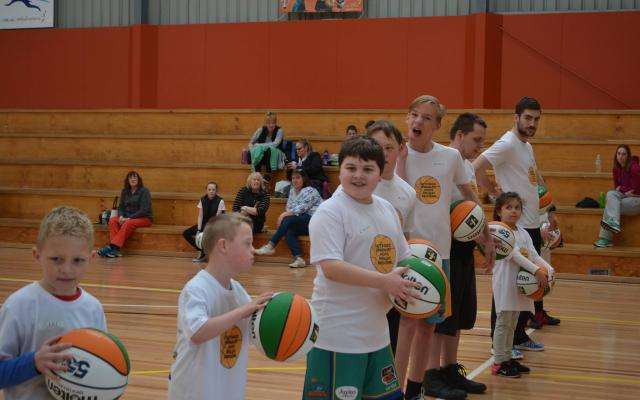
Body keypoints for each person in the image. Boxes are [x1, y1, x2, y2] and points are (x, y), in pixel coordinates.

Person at [302, 137, 418, 400]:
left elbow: (404, 258)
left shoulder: (387, 209)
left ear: (380, 174)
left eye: (367, 169)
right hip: (337, 337)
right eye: (351, 168)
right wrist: (384, 282)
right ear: (339, 170)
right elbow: (331, 267)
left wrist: (422, 282)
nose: (358, 175)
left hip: (377, 335)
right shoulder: (329, 212)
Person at [395, 95, 494, 400]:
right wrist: (400, 161)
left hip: (441, 255)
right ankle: (395, 391)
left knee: (429, 327)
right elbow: (395, 196)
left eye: (426, 118)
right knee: (405, 329)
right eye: (413, 115)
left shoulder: (450, 158)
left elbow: (469, 198)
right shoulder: (398, 154)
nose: (417, 122)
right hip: (408, 253)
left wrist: (486, 236)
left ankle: (415, 388)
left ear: (437, 125)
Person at [473, 96, 560, 351]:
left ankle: (519, 336)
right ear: (516, 117)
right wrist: (494, 195)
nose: (532, 123)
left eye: (536, 119)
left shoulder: (526, 146)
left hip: (531, 224)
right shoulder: (507, 143)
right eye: (528, 118)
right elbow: (477, 167)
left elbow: (536, 179)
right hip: (512, 228)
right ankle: (497, 341)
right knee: (506, 287)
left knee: (524, 286)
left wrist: (549, 208)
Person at [0, 206, 107, 398]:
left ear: (91, 258)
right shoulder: (18, 306)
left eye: (78, 260)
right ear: (37, 255)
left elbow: (101, 364)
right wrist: (33, 363)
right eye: (56, 259)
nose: (66, 269)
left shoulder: (93, 309)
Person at [168, 213, 272, 400]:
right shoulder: (196, 289)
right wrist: (243, 311)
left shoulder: (238, 291)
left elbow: (256, 333)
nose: (253, 250)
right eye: (247, 243)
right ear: (223, 245)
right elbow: (198, 332)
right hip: (193, 392)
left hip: (227, 390)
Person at [431, 113, 489, 395]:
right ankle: (433, 374)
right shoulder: (443, 163)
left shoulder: (465, 165)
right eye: (476, 139)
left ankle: (449, 368)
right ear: (459, 135)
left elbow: (472, 214)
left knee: (459, 315)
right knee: (442, 316)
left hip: (464, 248)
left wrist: (484, 238)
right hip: (447, 247)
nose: (479, 146)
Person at [364, 120, 416, 355]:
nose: (383, 154)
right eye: (376, 146)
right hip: (361, 284)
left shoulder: (407, 192)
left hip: (392, 284)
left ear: (401, 149)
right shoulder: (355, 187)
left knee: (389, 348)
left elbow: (406, 241)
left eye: (389, 147)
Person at [490, 192, 551, 378]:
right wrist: (535, 271)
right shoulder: (498, 231)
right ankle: (498, 362)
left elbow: (533, 254)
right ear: (499, 211)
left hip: (519, 284)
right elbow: (514, 255)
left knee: (513, 322)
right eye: (509, 207)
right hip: (505, 282)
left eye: (517, 207)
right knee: (503, 322)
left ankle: (508, 358)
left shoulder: (523, 232)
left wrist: (549, 269)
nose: (514, 211)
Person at [255, 169, 322, 268]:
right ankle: (299, 259)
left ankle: (271, 245)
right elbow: (289, 208)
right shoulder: (292, 191)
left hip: (314, 221)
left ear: (304, 179)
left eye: (298, 178)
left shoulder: (311, 190)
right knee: (289, 231)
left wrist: (283, 216)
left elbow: (302, 208)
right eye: (293, 178)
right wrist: (286, 215)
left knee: (287, 220)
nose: (295, 180)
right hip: (301, 222)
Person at [98, 170, 153, 258]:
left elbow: (144, 210)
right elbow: (121, 207)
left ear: (139, 180)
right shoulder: (125, 191)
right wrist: (121, 216)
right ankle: (115, 251)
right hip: (127, 217)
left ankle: (113, 247)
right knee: (112, 220)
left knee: (128, 223)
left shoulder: (144, 191)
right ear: (127, 180)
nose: (133, 179)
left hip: (144, 218)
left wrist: (129, 218)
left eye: (135, 177)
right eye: (130, 177)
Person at [594, 144, 640, 247]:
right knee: (610, 194)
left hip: (637, 199)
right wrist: (624, 191)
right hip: (626, 197)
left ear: (628, 156)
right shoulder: (616, 169)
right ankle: (613, 224)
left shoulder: (635, 168)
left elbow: (635, 190)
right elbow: (617, 188)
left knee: (611, 204)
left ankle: (606, 239)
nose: (621, 156)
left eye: (624, 154)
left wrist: (623, 190)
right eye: (619, 154)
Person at [183, 181, 226, 263]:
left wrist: (207, 230)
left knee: (207, 234)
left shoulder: (220, 201)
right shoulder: (202, 200)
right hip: (204, 223)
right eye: (209, 189)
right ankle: (201, 250)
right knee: (186, 233)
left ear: (216, 191)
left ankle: (209, 254)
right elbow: (200, 216)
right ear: (206, 190)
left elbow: (217, 218)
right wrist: (199, 230)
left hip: (216, 224)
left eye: (213, 189)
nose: (211, 191)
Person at [248, 112, 286, 181]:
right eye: (269, 123)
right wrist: (252, 149)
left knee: (269, 150)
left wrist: (260, 145)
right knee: (256, 151)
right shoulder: (260, 130)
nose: (271, 125)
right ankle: (257, 175)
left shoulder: (280, 130)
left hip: (275, 154)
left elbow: (275, 144)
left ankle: (268, 175)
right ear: (266, 123)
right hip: (262, 154)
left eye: (273, 123)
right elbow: (250, 143)